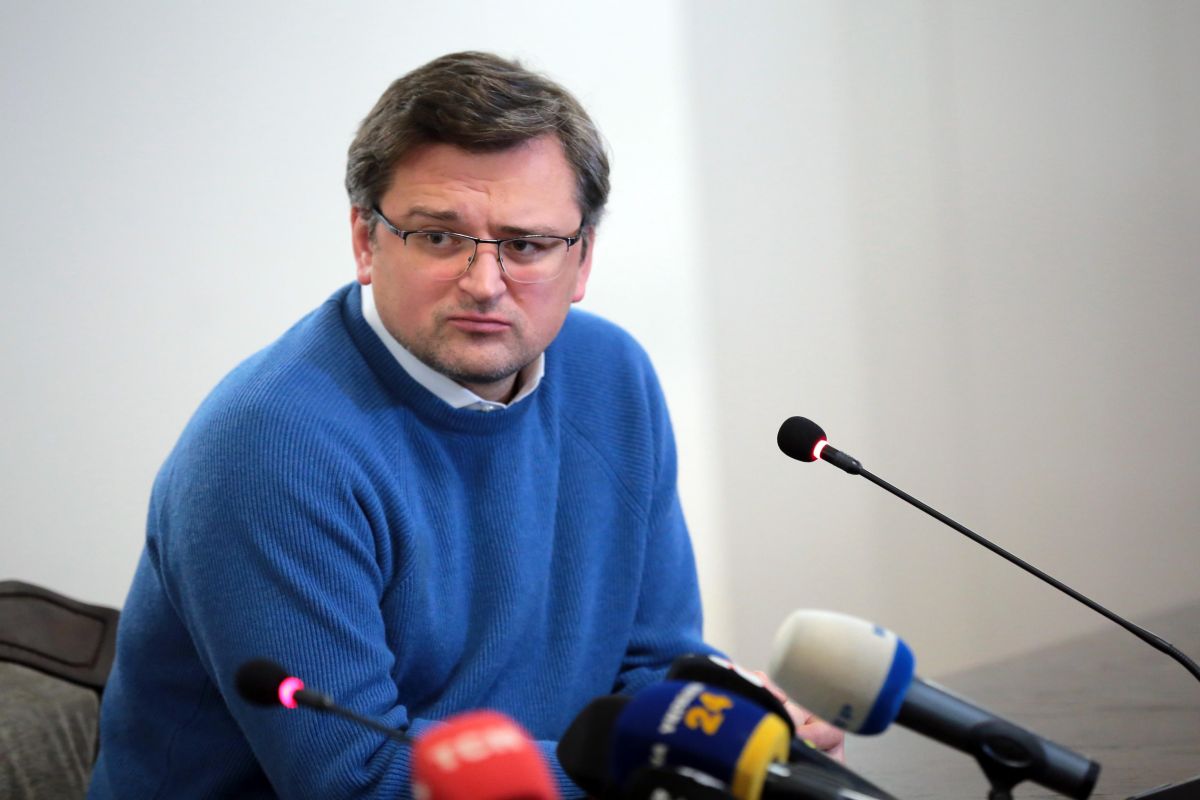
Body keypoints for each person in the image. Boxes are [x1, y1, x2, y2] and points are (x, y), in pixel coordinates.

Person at [88, 51, 842, 799]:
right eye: (439, 237)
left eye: (527, 245)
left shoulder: (612, 377)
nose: (485, 284)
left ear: (582, 261)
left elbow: (653, 666)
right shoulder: (269, 447)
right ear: (365, 241)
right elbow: (357, 781)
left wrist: (728, 730)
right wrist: (661, 763)